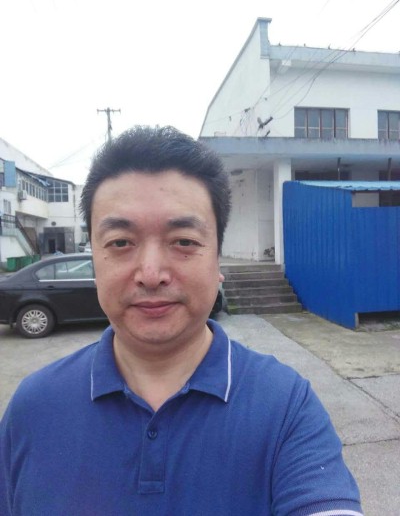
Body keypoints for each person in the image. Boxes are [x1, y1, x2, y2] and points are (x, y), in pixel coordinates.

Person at [0, 126, 363, 515]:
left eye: (184, 242)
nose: (151, 274)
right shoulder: (33, 408)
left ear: (218, 259)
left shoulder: (286, 407)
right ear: (94, 262)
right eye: (120, 242)